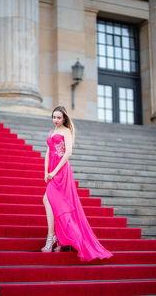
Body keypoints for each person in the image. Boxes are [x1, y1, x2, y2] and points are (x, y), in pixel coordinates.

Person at [41, 106, 113, 262]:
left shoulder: (66, 131)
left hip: (62, 171)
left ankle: (51, 238)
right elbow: (47, 152)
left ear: (64, 118)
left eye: (59, 118)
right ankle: (58, 238)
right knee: (52, 202)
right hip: (52, 169)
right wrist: (46, 171)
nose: (56, 120)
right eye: (54, 117)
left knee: (48, 199)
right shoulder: (52, 132)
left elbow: (68, 153)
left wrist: (54, 172)